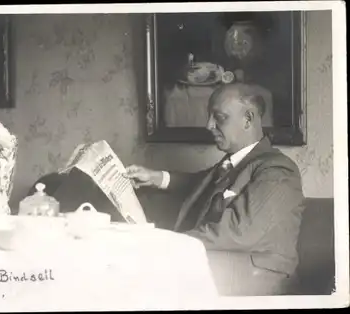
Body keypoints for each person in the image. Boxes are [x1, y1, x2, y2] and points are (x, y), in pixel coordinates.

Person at [126, 82, 305, 296]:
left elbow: (239, 232)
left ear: (248, 119)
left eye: (219, 117)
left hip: (257, 278)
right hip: (223, 265)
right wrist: (155, 177)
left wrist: (166, 242)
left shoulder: (277, 170)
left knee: (143, 276)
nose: (209, 125)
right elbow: (198, 183)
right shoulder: (233, 163)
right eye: (210, 116)